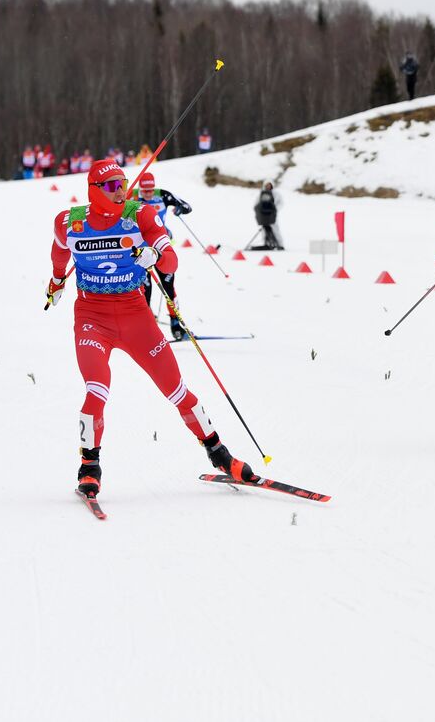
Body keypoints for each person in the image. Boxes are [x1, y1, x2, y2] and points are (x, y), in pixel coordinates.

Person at [46, 159, 257, 500]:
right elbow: (59, 254)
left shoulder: (139, 215)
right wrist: (56, 283)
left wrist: (153, 256)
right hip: (92, 317)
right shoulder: (69, 222)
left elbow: (171, 260)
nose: (120, 191)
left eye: (122, 183)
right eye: (112, 186)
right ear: (94, 191)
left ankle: (221, 455)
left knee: (177, 391)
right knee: (96, 389)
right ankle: (89, 468)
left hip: (135, 316)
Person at [136, 171, 193, 340]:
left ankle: (176, 325)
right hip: (142, 251)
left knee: (168, 287)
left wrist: (179, 209)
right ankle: (146, 327)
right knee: (145, 289)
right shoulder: (131, 197)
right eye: (144, 191)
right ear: (139, 189)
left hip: (162, 248)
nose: (148, 194)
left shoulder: (163, 195)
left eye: (150, 190)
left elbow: (187, 206)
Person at [251, 181, 284, 250]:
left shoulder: (276, 194)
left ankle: (280, 244)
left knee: (275, 229)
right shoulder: (261, 194)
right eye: (267, 185)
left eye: (269, 185)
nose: (268, 186)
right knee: (264, 229)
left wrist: (275, 209)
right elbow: (256, 204)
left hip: (272, 215)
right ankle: (266, 243)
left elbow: (281, 203)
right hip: (263, 215)